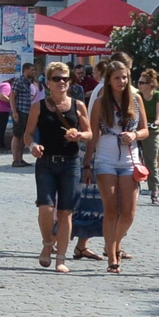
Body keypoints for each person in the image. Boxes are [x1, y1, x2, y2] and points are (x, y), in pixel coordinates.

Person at [25, 62, 91, 273]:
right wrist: (33, 146)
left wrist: (80, 135)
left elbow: (90, 133)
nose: (62, 82)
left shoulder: (78, 105)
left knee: (65, 212)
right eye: (56, 78)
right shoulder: (39, 106)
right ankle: (47, 243)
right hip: (46, 162)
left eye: (65, 78)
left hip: (70, 163)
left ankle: (61, 258)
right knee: (45, 208)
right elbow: (27, 134)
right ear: (48, 82)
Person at [84, 61, 148, 273]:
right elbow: (93, 135)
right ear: (109, 80)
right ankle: (112, 255)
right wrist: (87, 163)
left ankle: (114, 242)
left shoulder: (136, 99)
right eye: (117, 78)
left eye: (125, 77)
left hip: (130, 159)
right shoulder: (102, 102)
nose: (122, 81)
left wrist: (135, 135)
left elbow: (145, 130)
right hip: (106, 158)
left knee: (128, 212)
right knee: (110, 208)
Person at [137, 68, 159, 206]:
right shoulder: (137, 96)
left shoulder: (158, 95)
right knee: (132, 158)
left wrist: (158, 120)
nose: (140, 85)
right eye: (139, 82)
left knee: (151, 160)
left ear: (151, 85)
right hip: (139, 128)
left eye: (143, 83)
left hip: (153, 129)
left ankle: (154, 191)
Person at [9, 62, 39, 167]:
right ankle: (15, 159)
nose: (33, 72)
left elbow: (39, 87)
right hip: (19, 110)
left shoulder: (28, 82)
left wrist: (35, 78)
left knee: (23, 136)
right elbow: (12, 96)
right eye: (32, 70)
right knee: (17, 135)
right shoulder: (19, 81)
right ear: (25, 70)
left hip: (27, 111)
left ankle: (20, 158)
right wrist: (14, 112)